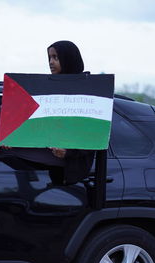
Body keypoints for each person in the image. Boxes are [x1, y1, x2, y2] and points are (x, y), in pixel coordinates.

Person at [46, 40, 95, 185]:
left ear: (68, 59)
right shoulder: (47, 89)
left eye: (56, 57)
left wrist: (69, 152)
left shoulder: (89, 92)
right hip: (46, 169)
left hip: (73, 178)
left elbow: (92, 134)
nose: (51, 62)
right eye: (49, 58)